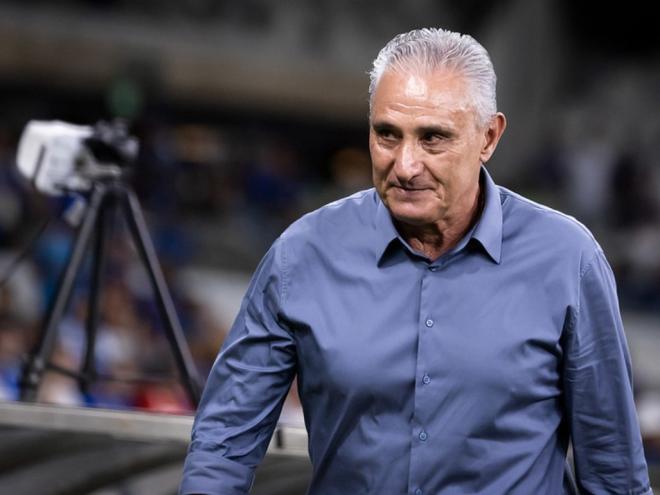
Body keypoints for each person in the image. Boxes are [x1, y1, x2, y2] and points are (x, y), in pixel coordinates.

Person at [180, 28, 652, 495]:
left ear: (488, 137)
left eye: (433, 138)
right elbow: (223, 443)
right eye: (387, 134)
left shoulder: (567, 260)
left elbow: (613, 472)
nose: (405, 165)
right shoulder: (302, 254)